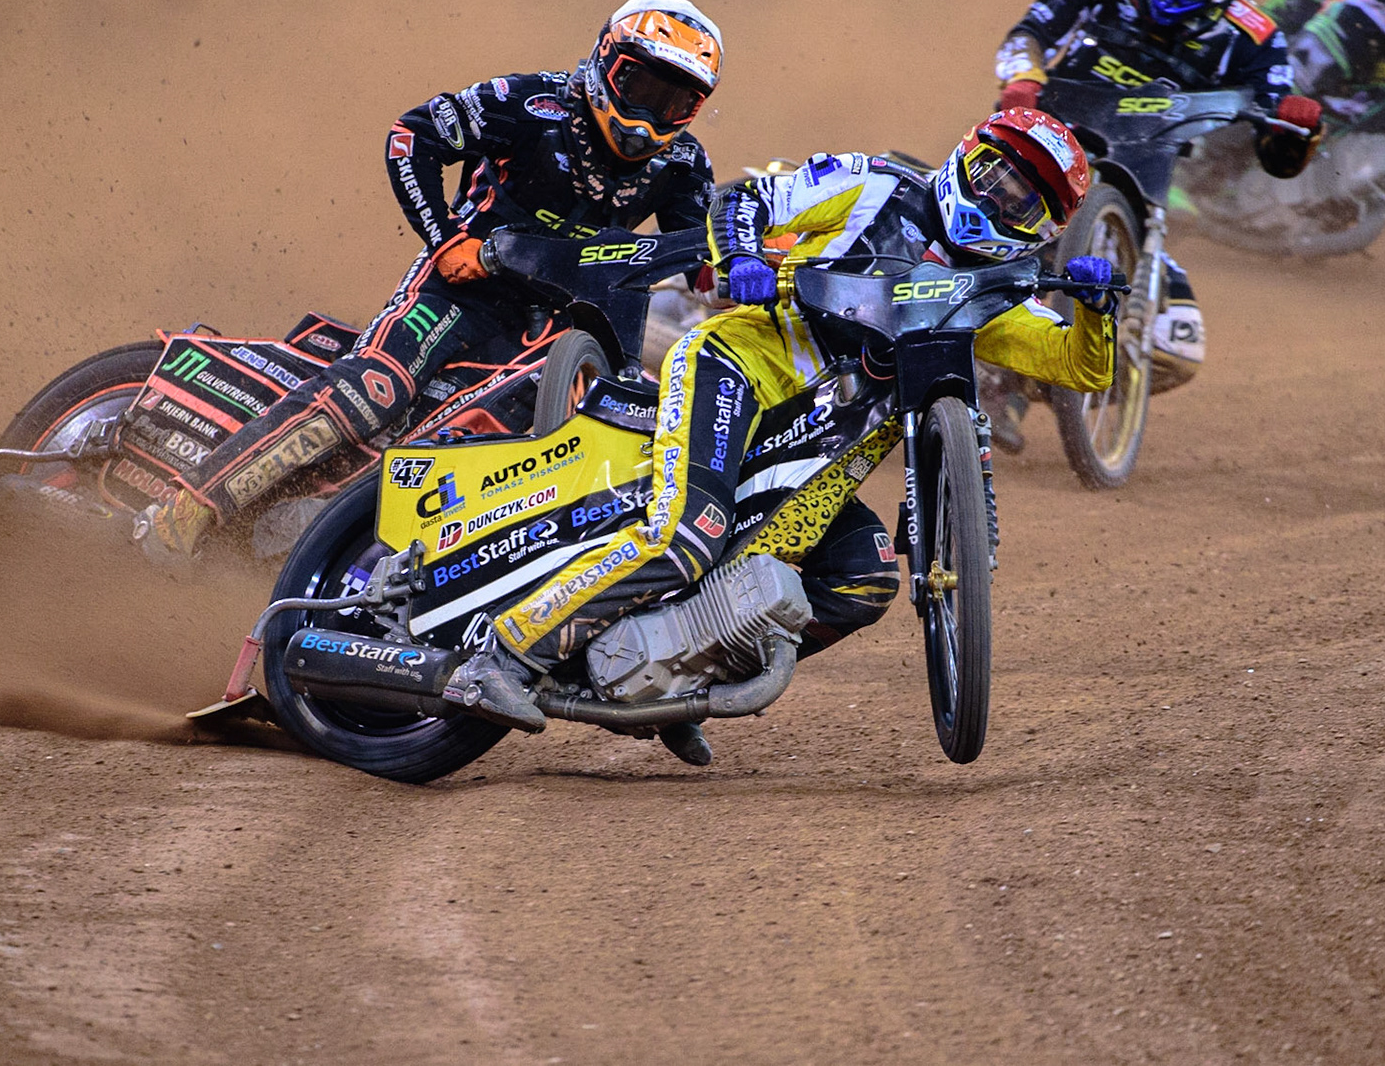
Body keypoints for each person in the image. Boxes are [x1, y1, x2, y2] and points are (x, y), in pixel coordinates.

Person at [451, 108, 1119, 755]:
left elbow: (1079, 366)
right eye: (995, 175)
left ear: (1043, 229)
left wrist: (1095, 307)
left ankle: (681, 681)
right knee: (688, 534)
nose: (999, 202)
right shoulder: (875, 183)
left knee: (867, 578)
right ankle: (500, 657)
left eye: (1023, 203)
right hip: (739, 368)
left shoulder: (994, 293)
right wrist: (741, 255)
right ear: (966, 156)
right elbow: (746, 198)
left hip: (816, 463)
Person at [134, 0, 723, 564]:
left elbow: (704, 251)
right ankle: (188, 510)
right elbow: (410, 135)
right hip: (461, 289)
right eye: (640, 87)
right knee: (375, 391)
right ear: (604, 60)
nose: (649, 117)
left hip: (549, 332)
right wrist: (445, 239)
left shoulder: (684, 163)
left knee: (457, 447)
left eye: (675, 104)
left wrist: (753, 264)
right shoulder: (529, 104)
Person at [987, 0, 1324, 448]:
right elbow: (1029, 34)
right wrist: (1022, 76)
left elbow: (1279, 152)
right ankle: (987, 382)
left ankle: (1050, 380)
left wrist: (1299, 127)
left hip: (1150, 175)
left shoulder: (1255, 36)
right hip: (1050, 138)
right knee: (978, 229)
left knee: (1177, 349)